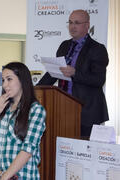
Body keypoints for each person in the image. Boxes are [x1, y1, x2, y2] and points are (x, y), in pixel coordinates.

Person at [37, 9, 109, 139]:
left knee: (84, 152)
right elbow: (54, 73)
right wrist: (34, 89)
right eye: (70, 22)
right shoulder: (64, 45)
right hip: (63, 108)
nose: (72, 26)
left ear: (87, 25)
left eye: (77, 22)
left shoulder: (97, 49)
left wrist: (75, 73)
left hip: (87, 112)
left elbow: (99, 80)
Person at [0, 62, 46, 180]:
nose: (5, 85)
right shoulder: (3, 108)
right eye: (3, 80)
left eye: (9, 79)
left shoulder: (36, 110)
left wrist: (4, 177)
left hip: (21, 176)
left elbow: (27, 150)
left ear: (22, 80)